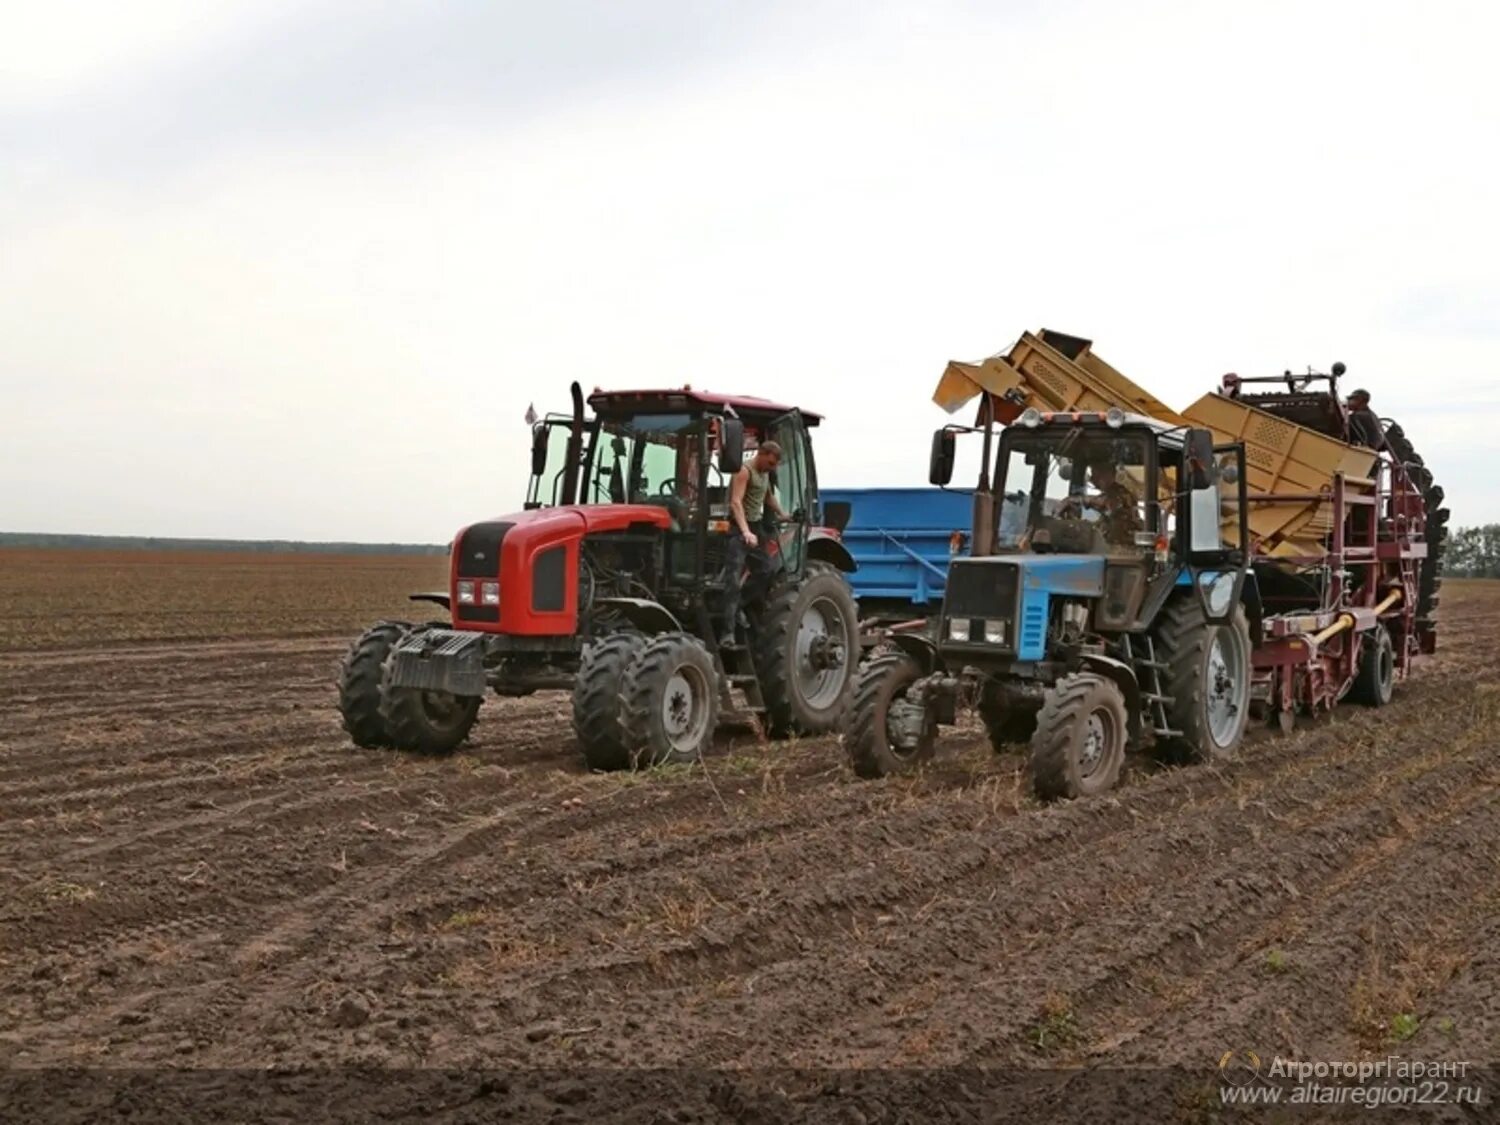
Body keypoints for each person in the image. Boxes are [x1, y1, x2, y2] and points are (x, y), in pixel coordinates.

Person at [721, 440, 786, 642]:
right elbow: (735, 502)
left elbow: (767, 497)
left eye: (774, 465)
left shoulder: (764, 474)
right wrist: (745, 532)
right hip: (739, 528)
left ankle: (739, 605)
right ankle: (727, 632)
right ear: (761, 454)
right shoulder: (744, 471)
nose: (772, 468)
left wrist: (782, 514)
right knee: (731, 580)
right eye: (770, 463)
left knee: (766, 570)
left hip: (755, 527)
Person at [1064, 458, 1143, 548]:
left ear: (1108, 474)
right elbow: (1106, 524)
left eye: (1096, 474)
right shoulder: (1110, 495)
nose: (1093, 480)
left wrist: (1074, 500)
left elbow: (1105, 502)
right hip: (1112, 547)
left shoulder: (1120, 494)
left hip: (1125, 549)